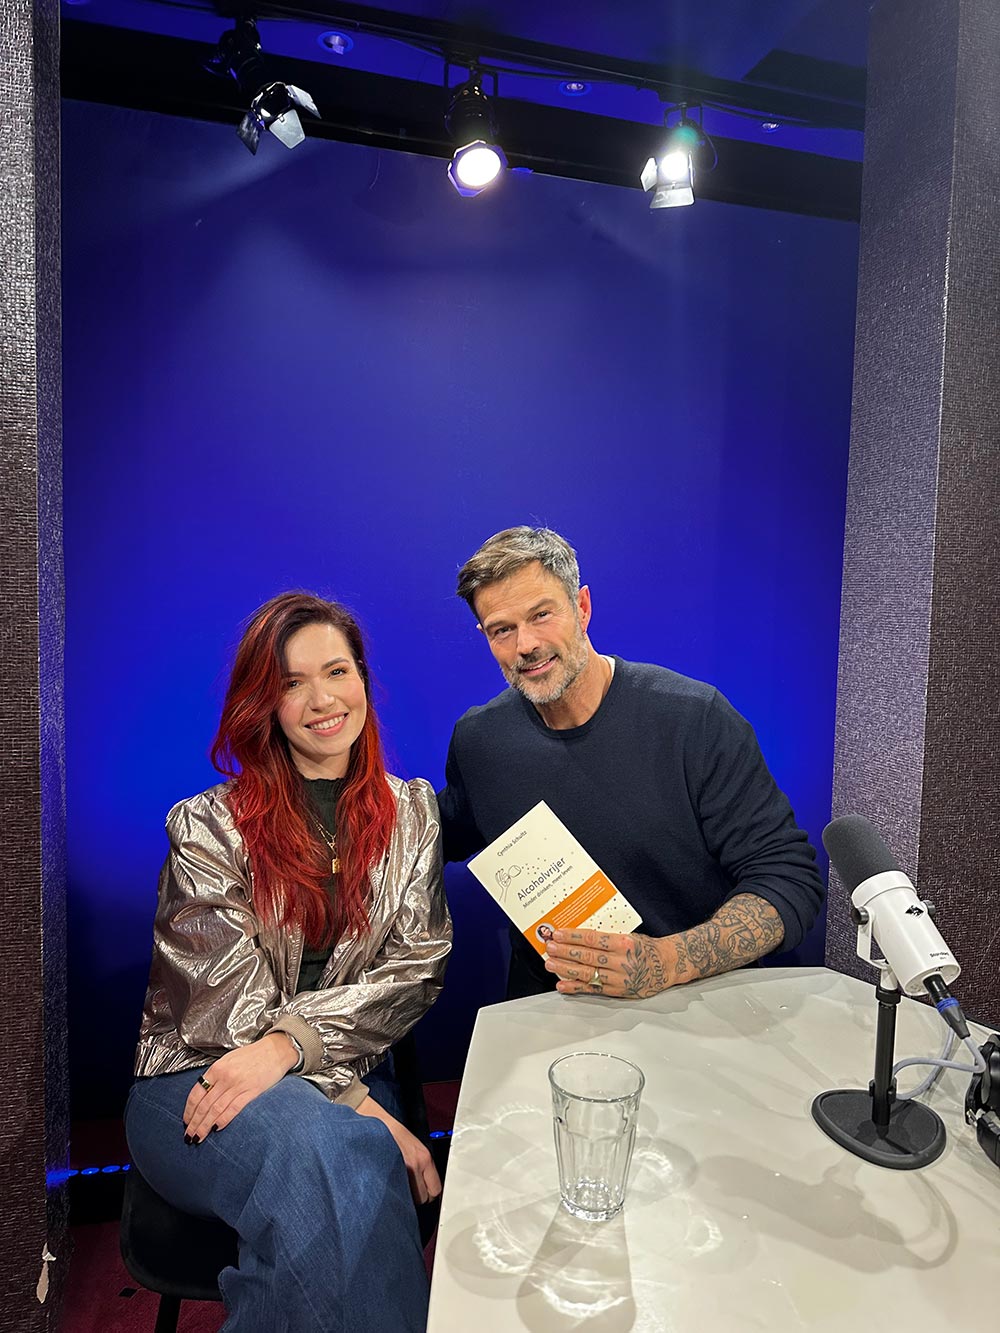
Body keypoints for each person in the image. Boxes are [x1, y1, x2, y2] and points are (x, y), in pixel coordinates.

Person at [126, 592, 452, 1333]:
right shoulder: (206, 824)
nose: (321, 699)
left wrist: (303, 1058)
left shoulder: (413, 815)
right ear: (264, 704)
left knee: (336, 1164)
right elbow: (221, 1007)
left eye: (336, 671)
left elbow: (414, 969)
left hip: (330, 1078)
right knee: (339, 1155)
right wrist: (364, 1107)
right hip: (196, 1076)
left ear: (362, 677)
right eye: (292, 683)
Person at [439, 526, 824, 1001]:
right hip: (551, 1009)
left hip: (696, 1002)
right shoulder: (480, 741)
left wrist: (668, 962)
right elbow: (424, 836)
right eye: (503, 629)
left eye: (542, 615)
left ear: (582, 607)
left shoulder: (693, 719)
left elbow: (788, 880)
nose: (526, 644)